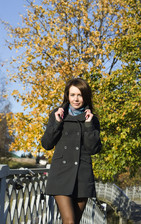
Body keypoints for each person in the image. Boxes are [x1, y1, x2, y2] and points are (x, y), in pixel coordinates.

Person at [41, 78, 102, 224]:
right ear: (67, 96)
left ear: (85, 96)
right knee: (69, 221)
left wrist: (88, 125)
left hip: (82, 175)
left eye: (80, 95)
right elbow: (47, 144)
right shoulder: (58, 114)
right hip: (61, 174)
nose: (76, 99)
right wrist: (56, 123)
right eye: (72, 94)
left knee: (73, 221)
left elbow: (94, 149)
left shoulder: (92, 119)